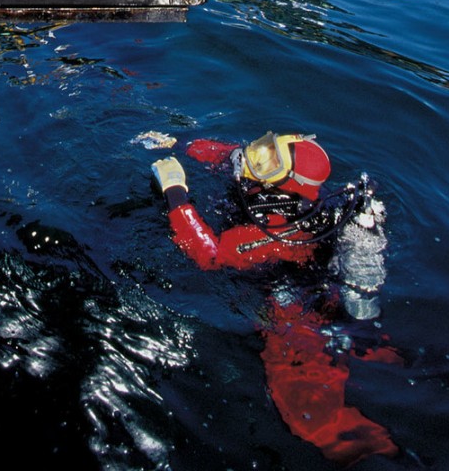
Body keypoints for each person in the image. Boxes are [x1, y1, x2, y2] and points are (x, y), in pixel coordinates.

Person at [145, 128, 399, 465]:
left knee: (304, 404)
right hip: (305, 280)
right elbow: (231, 156)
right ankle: (389, 355)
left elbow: (210, 256)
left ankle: (372, 451)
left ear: (286, 181)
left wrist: (175, 193)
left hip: (295, 304)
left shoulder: (272, 232)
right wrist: (180, 142)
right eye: (266, 150)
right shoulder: (269, 181)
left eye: (268, 159)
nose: (255, 157)